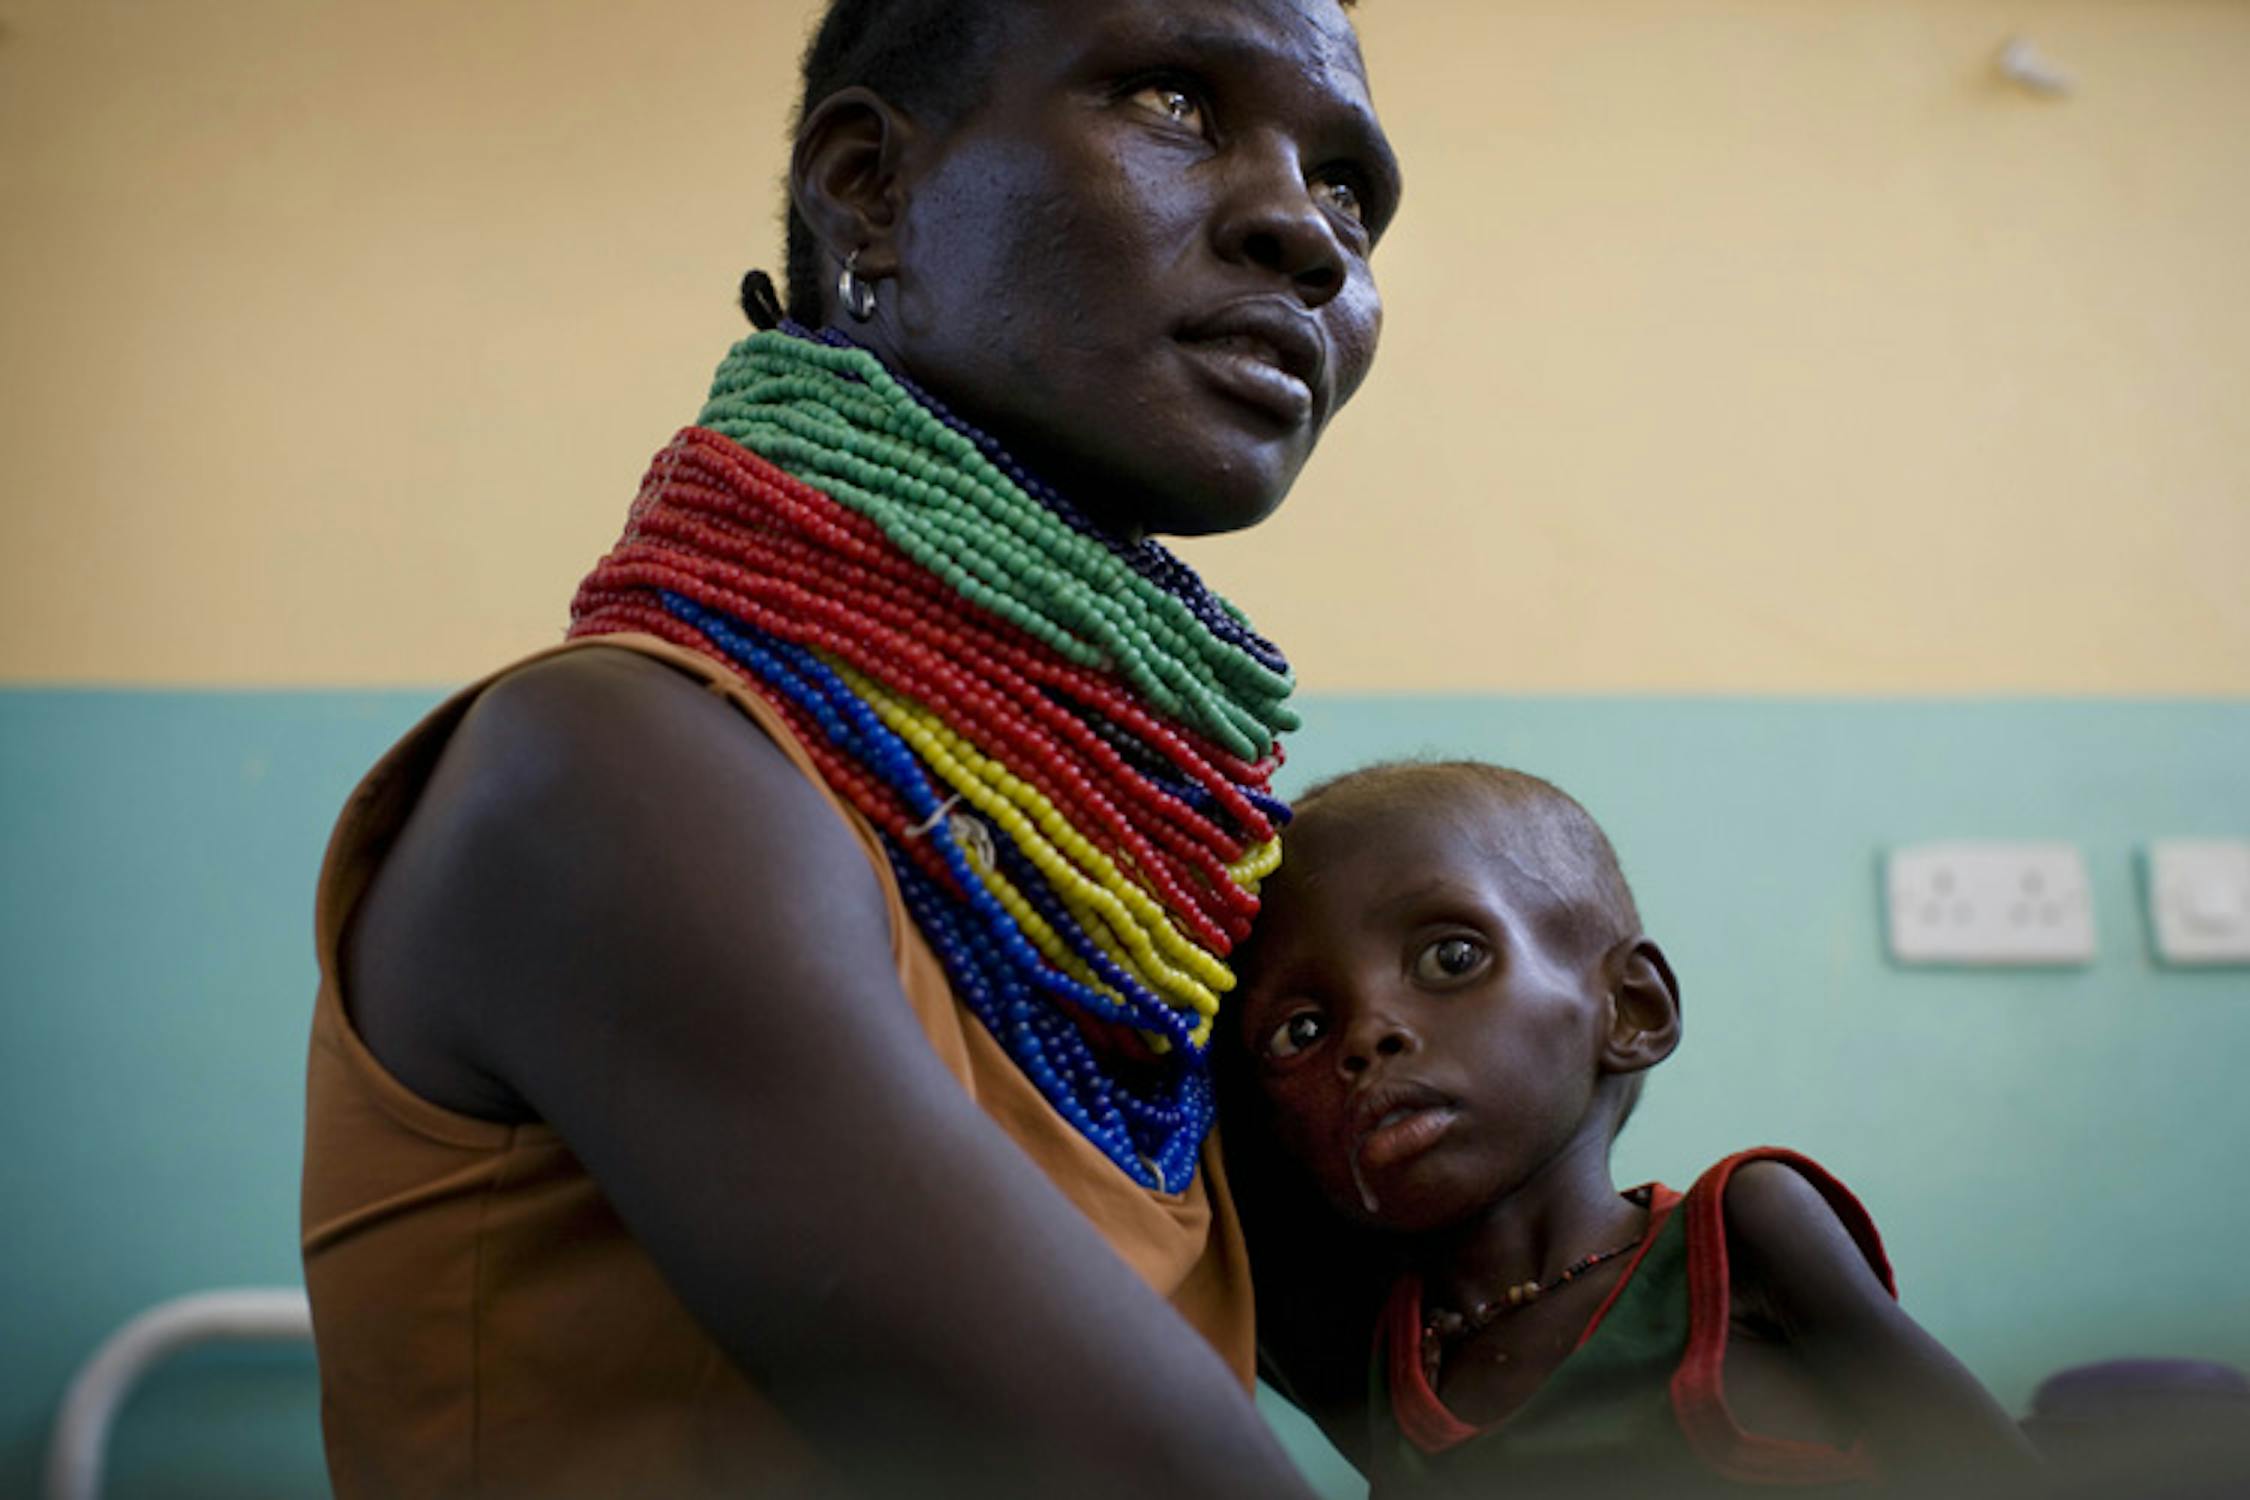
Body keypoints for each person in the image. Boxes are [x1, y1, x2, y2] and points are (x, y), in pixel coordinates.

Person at [298, 1, 1402, 1497]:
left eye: (1351, 186)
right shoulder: (618, 771)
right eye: (1171, 101)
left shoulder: (1123, 917)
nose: (1306, 229)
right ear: (870, 190)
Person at [1225, 761, 2043, 1497]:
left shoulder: (1739, 1236)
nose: (1367, 1034)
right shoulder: (1392, 1357)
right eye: (1300, 1031)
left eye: (1451, 958)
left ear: (1632, 1010)